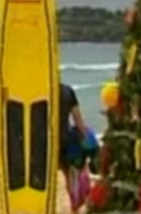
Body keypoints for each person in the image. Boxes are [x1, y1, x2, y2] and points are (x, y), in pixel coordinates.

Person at [59, 83, 88, 214]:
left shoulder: (42, 90)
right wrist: (85, 136)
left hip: (44, 141)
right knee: (69, 174)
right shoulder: (67, 91)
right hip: (64, 139)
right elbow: (77, 117)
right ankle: (74, 208)